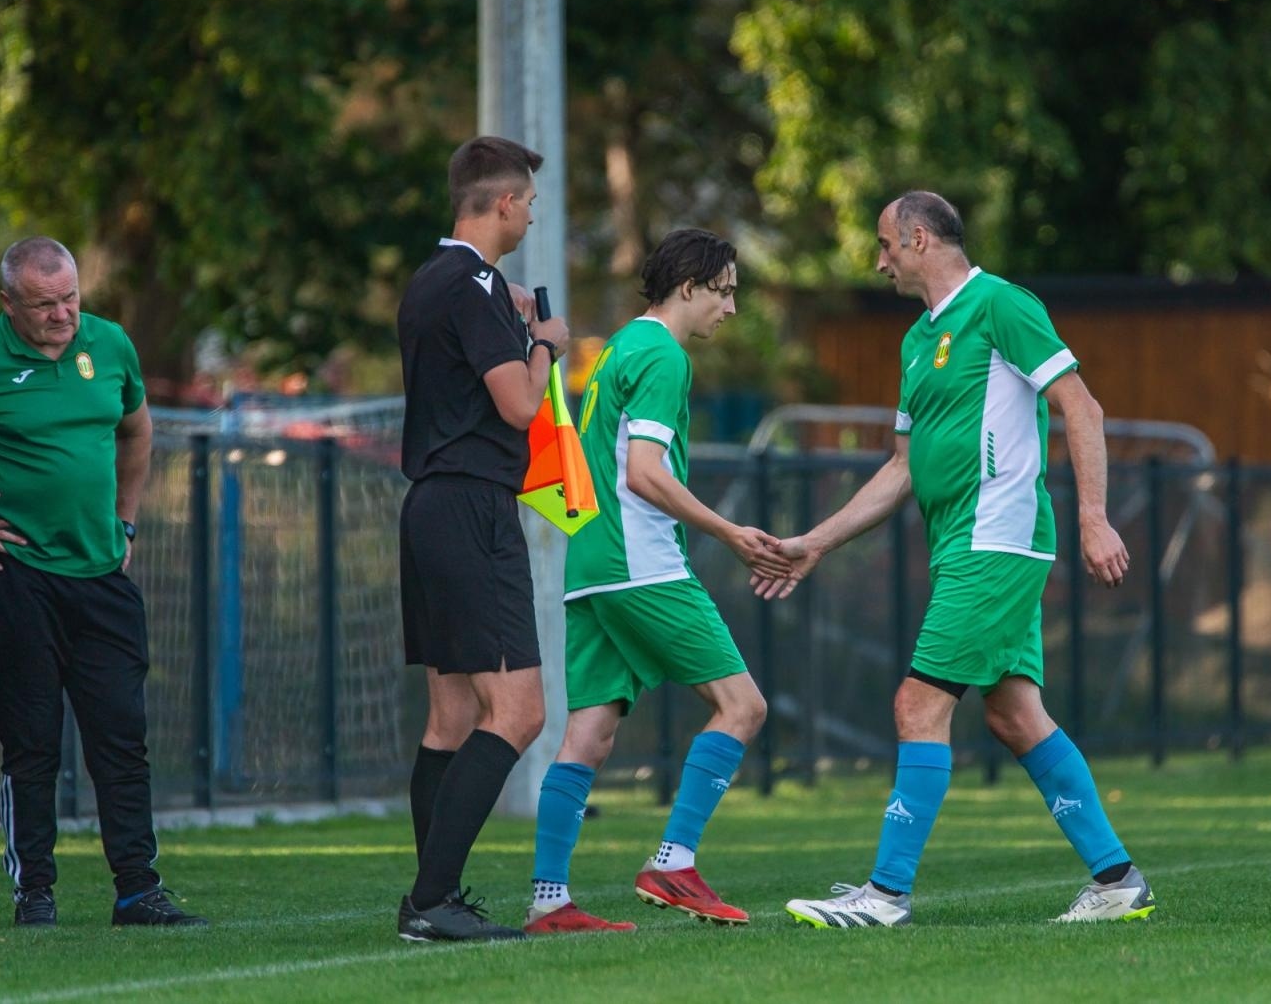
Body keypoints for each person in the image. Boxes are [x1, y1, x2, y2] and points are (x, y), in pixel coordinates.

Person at [755, 191, 1155, 927]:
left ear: (917, 237)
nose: (878, 261)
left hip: (996, 540)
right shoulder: (917, 342)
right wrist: (816, 540)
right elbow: (902, 467)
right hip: (966, 549)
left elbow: (1082, 406)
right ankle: (1117, 879)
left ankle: (886, 894)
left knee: (917, 703)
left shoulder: (1001, 304)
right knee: (1014, 715)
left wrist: (1093, 517)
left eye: (884, 245)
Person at [0, 236, 205, 928]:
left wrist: (126, 522)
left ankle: (138, 889)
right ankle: (35, 891)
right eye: (44, 304)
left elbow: (137, 431)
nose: (61, 315)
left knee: (122, 734)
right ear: (8, 302)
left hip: (103, 574)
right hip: (17, 577)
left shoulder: (110, 345)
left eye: (70, 298)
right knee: (31, 739)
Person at [523, 229, 793, 935]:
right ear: (688, 287)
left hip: (589, 566)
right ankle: (673, 861)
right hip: (637, 563)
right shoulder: (664, 354)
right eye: (726, 290)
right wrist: (731, 533)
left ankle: (549, 900)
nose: (731, 308)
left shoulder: (621, 345)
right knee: (743, 705)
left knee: (589, 733)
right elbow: (644, 472)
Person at [396, 135, 571, 943]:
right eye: (529, 201)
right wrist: (543, 341)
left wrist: (515, 322)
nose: (533, 213)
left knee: (452, 714)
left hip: (430, 506)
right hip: (472, 509)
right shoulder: (474, 284)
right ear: (502, 202)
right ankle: (433, 900)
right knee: (522, 709)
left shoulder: (432, 281)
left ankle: (432, 895)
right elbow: (517, 405)